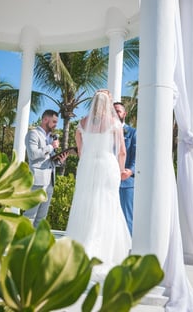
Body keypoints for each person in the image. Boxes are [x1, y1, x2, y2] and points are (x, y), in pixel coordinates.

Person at [66, 90, 131, 281]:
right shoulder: (113, 123)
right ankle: (102, 252)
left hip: (87, 165)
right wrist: (120, 171)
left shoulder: (83, 122)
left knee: (86, 203)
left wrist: (86, 161)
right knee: (107, 205)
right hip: (107, 164)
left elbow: (80, 147)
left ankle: (80, 248)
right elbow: (122, 151)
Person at [24, 109, 68, 227]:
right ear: (45, 120)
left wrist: (59, 160)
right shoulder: (33, 134)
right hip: (37, 181)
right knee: (30, 215)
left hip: (50, 182)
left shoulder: (50, 137)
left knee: (41, 217)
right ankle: (21, 242)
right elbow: (33, 155)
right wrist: (50, 147)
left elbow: (49, 160)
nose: (55, 125)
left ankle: (36, 243)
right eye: (54, 121)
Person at [114, 102, 136, 236]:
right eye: (113, 111)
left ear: (124, 114)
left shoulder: (133, 132)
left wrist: (131, 170)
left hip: (126, 182)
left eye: (118, 111)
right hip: (108, 180)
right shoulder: (106, 133)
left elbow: (137, 155)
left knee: (126, 217)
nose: (115, 114)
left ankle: (128, 250)